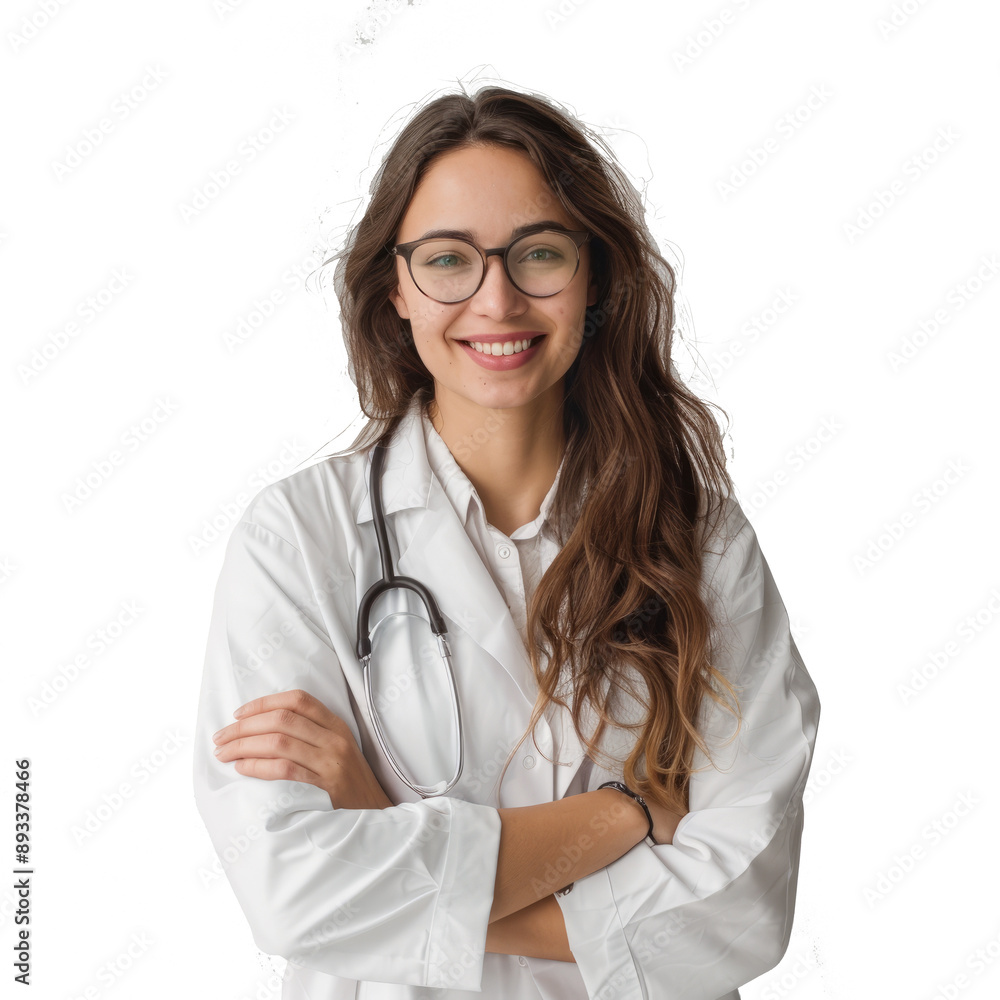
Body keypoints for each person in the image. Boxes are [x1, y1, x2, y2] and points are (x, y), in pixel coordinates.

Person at [193, 83, 821, 1000]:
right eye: (449, 260)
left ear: (596, 276)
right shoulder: (298, 541)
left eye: (540, 254)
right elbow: (296, 893)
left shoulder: (700, 539)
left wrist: (388, 825)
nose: (497, 299)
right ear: (396, 288)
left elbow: (746, 904)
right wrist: (624, 815)